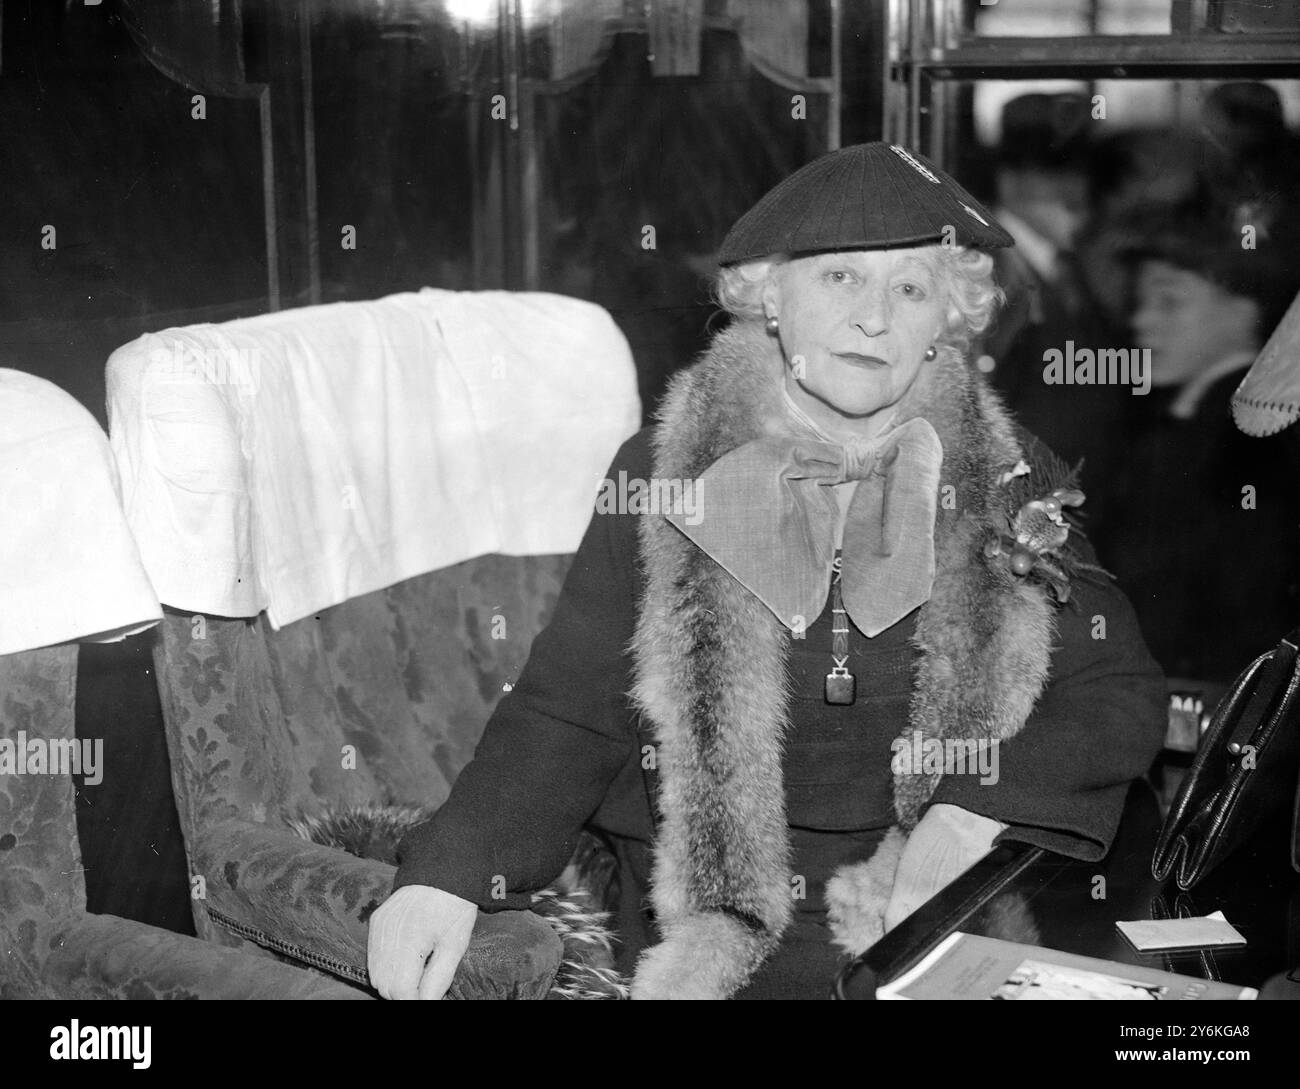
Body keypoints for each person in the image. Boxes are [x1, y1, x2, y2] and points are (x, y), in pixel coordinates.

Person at [367, 142, 1167, 1001]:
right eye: (839, 280)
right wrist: (446, 873)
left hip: (931, 909)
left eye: (910, 288)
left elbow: (1117, 689)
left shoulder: (1005, 474)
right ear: (770, 298)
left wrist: (974, 805)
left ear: (949, 321)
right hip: (712, 923)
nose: (875, 319)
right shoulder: (663, 472)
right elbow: (569, 709)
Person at [1089, 194, 1300, 684]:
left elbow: (1235, 612)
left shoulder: (1253, 442)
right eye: (1140, 302)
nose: (1142, 321)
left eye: (1171, 301)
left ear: (1246, 308)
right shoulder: (1177, 421)